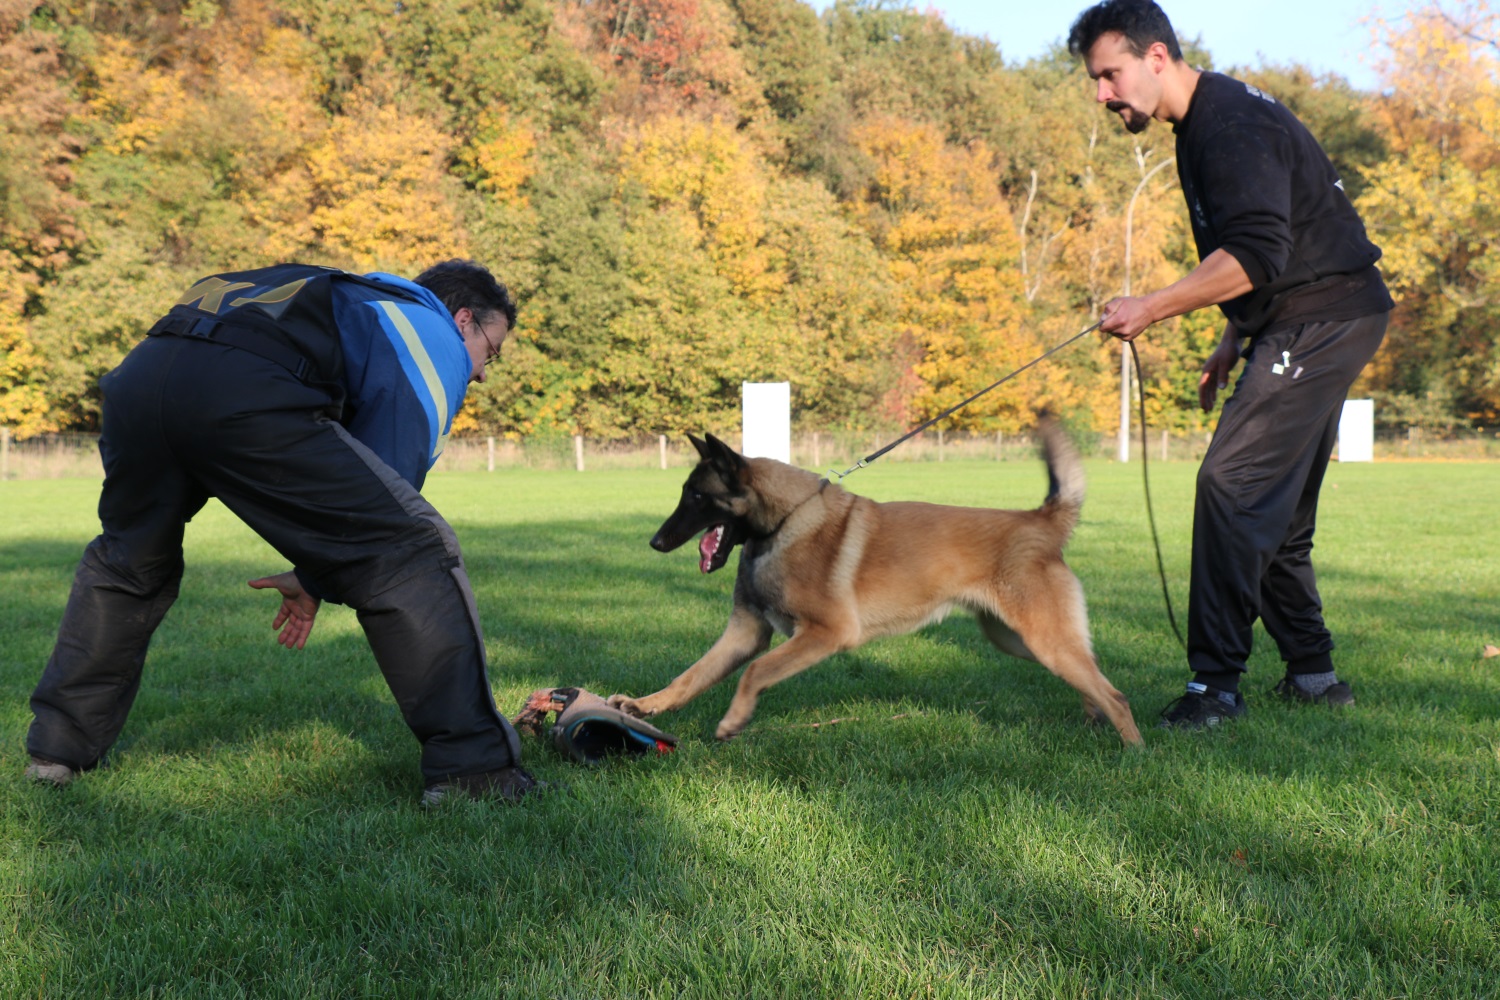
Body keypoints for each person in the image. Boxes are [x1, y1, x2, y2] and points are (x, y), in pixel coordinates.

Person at [24, 259, 542, 803]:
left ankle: (55, 754)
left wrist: (313, 573)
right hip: (239, 386)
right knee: (413, 549)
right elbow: (390, 488)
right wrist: (321, 574)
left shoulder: (341, 290)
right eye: (492, 351)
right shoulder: (428, 328)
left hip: (139, 381)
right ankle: (475, 773)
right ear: (463, 320)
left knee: (127, 565)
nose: (483, 372)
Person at [1067, 1, 1394, 728]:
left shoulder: (1227, 125)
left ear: (1156, 58)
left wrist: (1152, 305)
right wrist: (1234, 337)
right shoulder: (1204, 124)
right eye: (1095, 81)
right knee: (1273, 509)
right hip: (1318, 315)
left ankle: (1214, 688)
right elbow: (1261, 248)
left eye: (1109, 75)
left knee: (1231, 483)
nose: (1102, 95)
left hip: (1326, 315)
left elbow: (1256, 252)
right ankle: (1313, 676)